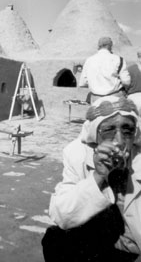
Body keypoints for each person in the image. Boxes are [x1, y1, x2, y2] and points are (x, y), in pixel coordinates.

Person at [41, 95, 141, 262]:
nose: (119, 140)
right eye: (109, 130)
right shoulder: (77, 153)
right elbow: (62, 214)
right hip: (104, 238)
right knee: (55, 239)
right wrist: (98, 176)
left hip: (134, 244)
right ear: (95, 134)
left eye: (127, 130)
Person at [79, 37, 131, 104]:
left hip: (96, 99)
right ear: (110, 46)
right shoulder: (119, 59)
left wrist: (95, 84)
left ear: (99, 46)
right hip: (115, 98)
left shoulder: (89, 60)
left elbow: (82, 83)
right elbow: (126, 82)